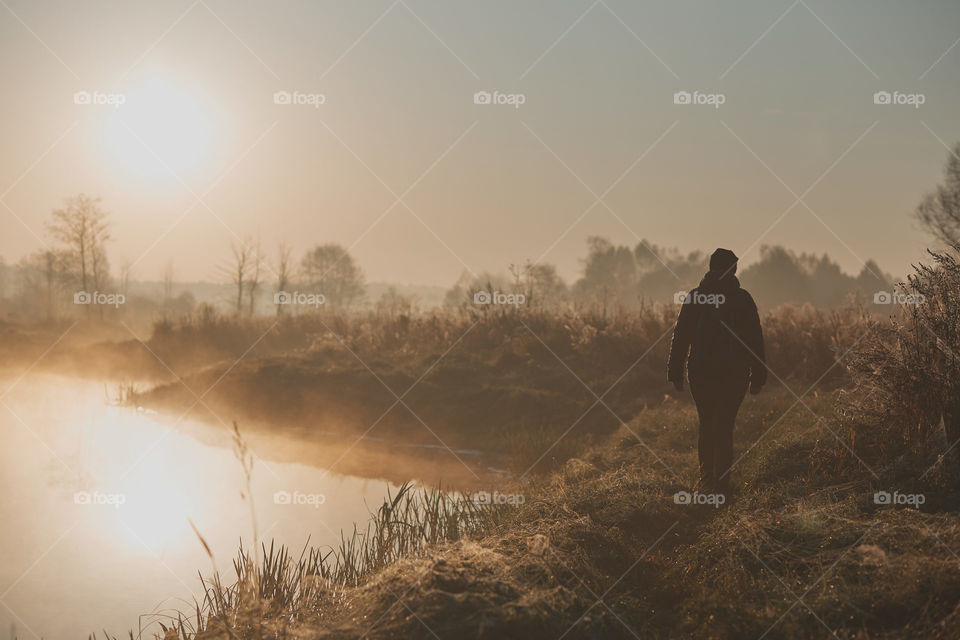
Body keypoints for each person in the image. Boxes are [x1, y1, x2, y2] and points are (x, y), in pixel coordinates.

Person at [667, 248, 766, 498]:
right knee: (725, 426)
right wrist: (759, 374)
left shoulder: (695, 298)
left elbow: (681, 337)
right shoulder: (743, 299)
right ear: (733, 269)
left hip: (701, 372)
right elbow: (754, 339)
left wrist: (675, 371)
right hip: (735, 373)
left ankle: (706, 481)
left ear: (710, 268)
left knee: (707, 424)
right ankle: (722, 484)